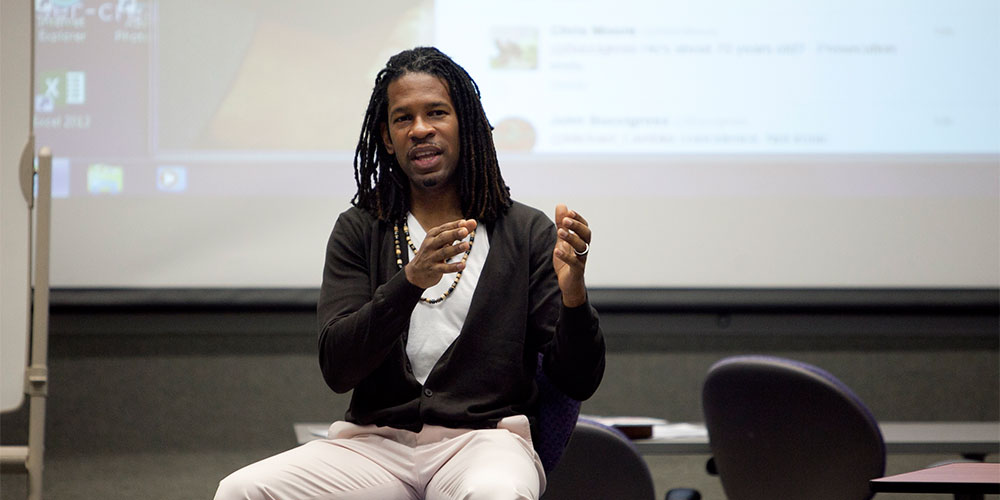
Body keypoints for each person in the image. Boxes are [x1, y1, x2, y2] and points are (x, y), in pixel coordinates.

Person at [214, 46, 605, 500]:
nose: (420, 129)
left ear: (467, 125)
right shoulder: (361, 228)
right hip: (375, 445)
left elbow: (578, 381)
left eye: (436, 112)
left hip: (483, 441)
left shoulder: (525, 231)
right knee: (242, 490)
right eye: (403, 118)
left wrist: (574, 296)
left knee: (496, 493)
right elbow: (338, 368)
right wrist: (409, 282)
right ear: (386, 137)